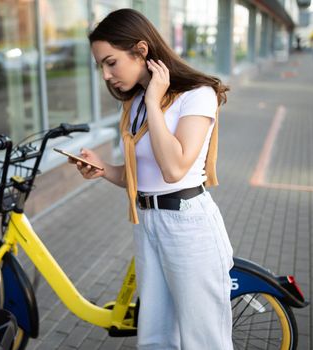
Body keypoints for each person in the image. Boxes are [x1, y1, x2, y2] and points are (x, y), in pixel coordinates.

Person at [69, 8, 234, 350]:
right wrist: (103, 170)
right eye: (101, 65)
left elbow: (173, 169)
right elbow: (141, 178)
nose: (106, 74)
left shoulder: (196, 95)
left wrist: (155, 102)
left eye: (111, 62)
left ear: (141, 51)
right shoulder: (136, 104)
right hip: (147, 223)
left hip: (188, 224)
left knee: (203, 340)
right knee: (155, 337)